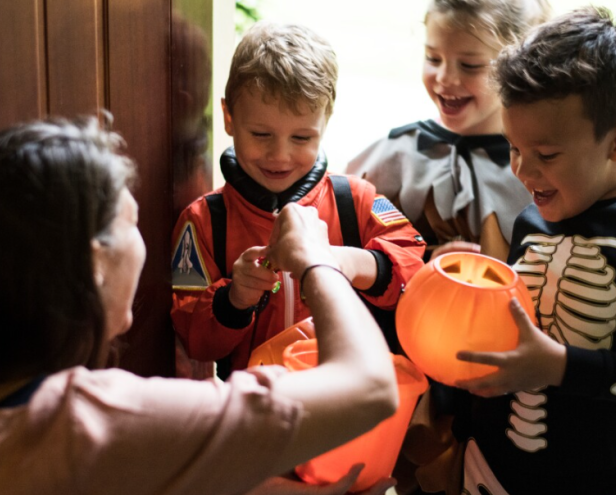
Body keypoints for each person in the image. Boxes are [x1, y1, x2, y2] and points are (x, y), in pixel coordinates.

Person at [0, 116, 400, 495]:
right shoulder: (94, 423)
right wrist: (318, 262)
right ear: (95, 261)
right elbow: (372, 387)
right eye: (132, 221)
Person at [449, 7, 616, 494]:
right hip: (492, 470)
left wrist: (560, 366)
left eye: (546, 155)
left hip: (599, 481)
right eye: (514, 148)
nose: (523, 173)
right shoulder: (530, 221)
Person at [170, 21, 425, 376]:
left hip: (346, 403)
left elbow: (415, 273)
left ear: (326, 122)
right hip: (258, 410)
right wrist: (235, 300)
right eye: (261, 134)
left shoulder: (355, 200)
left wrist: (340, 262)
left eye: (302, 138)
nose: (280, 155)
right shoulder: (204, 221)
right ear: (229, 116)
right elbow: (191, 338)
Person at [347, 0, 550, 263]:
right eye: (433, 58)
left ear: (520, 65)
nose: (444, 77)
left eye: (470, 65)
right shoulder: (389, 157)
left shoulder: (541, 170)